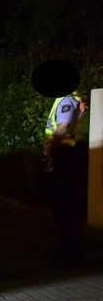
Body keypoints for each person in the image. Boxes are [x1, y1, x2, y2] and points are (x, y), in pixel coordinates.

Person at [43, 91, 88, 268]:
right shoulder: (68, 99)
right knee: (62, 207)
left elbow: (62, 127)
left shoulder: (67, 99)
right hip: (66, 156)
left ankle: (70, 254)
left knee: (64, 207)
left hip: (64, 155)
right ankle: (66, 249)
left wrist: (50, 149)